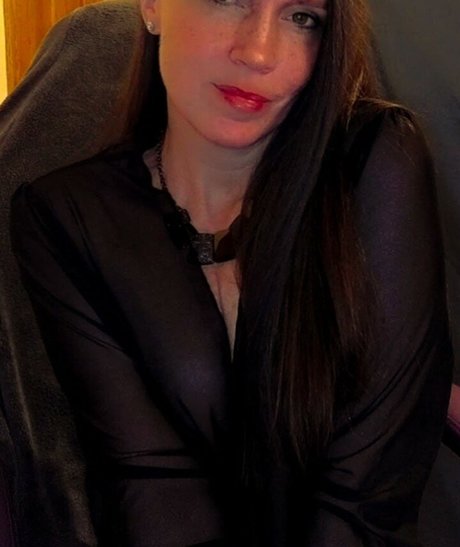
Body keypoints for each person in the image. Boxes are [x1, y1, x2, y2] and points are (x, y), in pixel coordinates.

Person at [7, 0, 452, 545]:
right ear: (152, 6)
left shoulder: (375, 162)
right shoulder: (67, 217)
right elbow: (149, 481)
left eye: (302, 18)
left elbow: (367, 497)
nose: (259, 52)